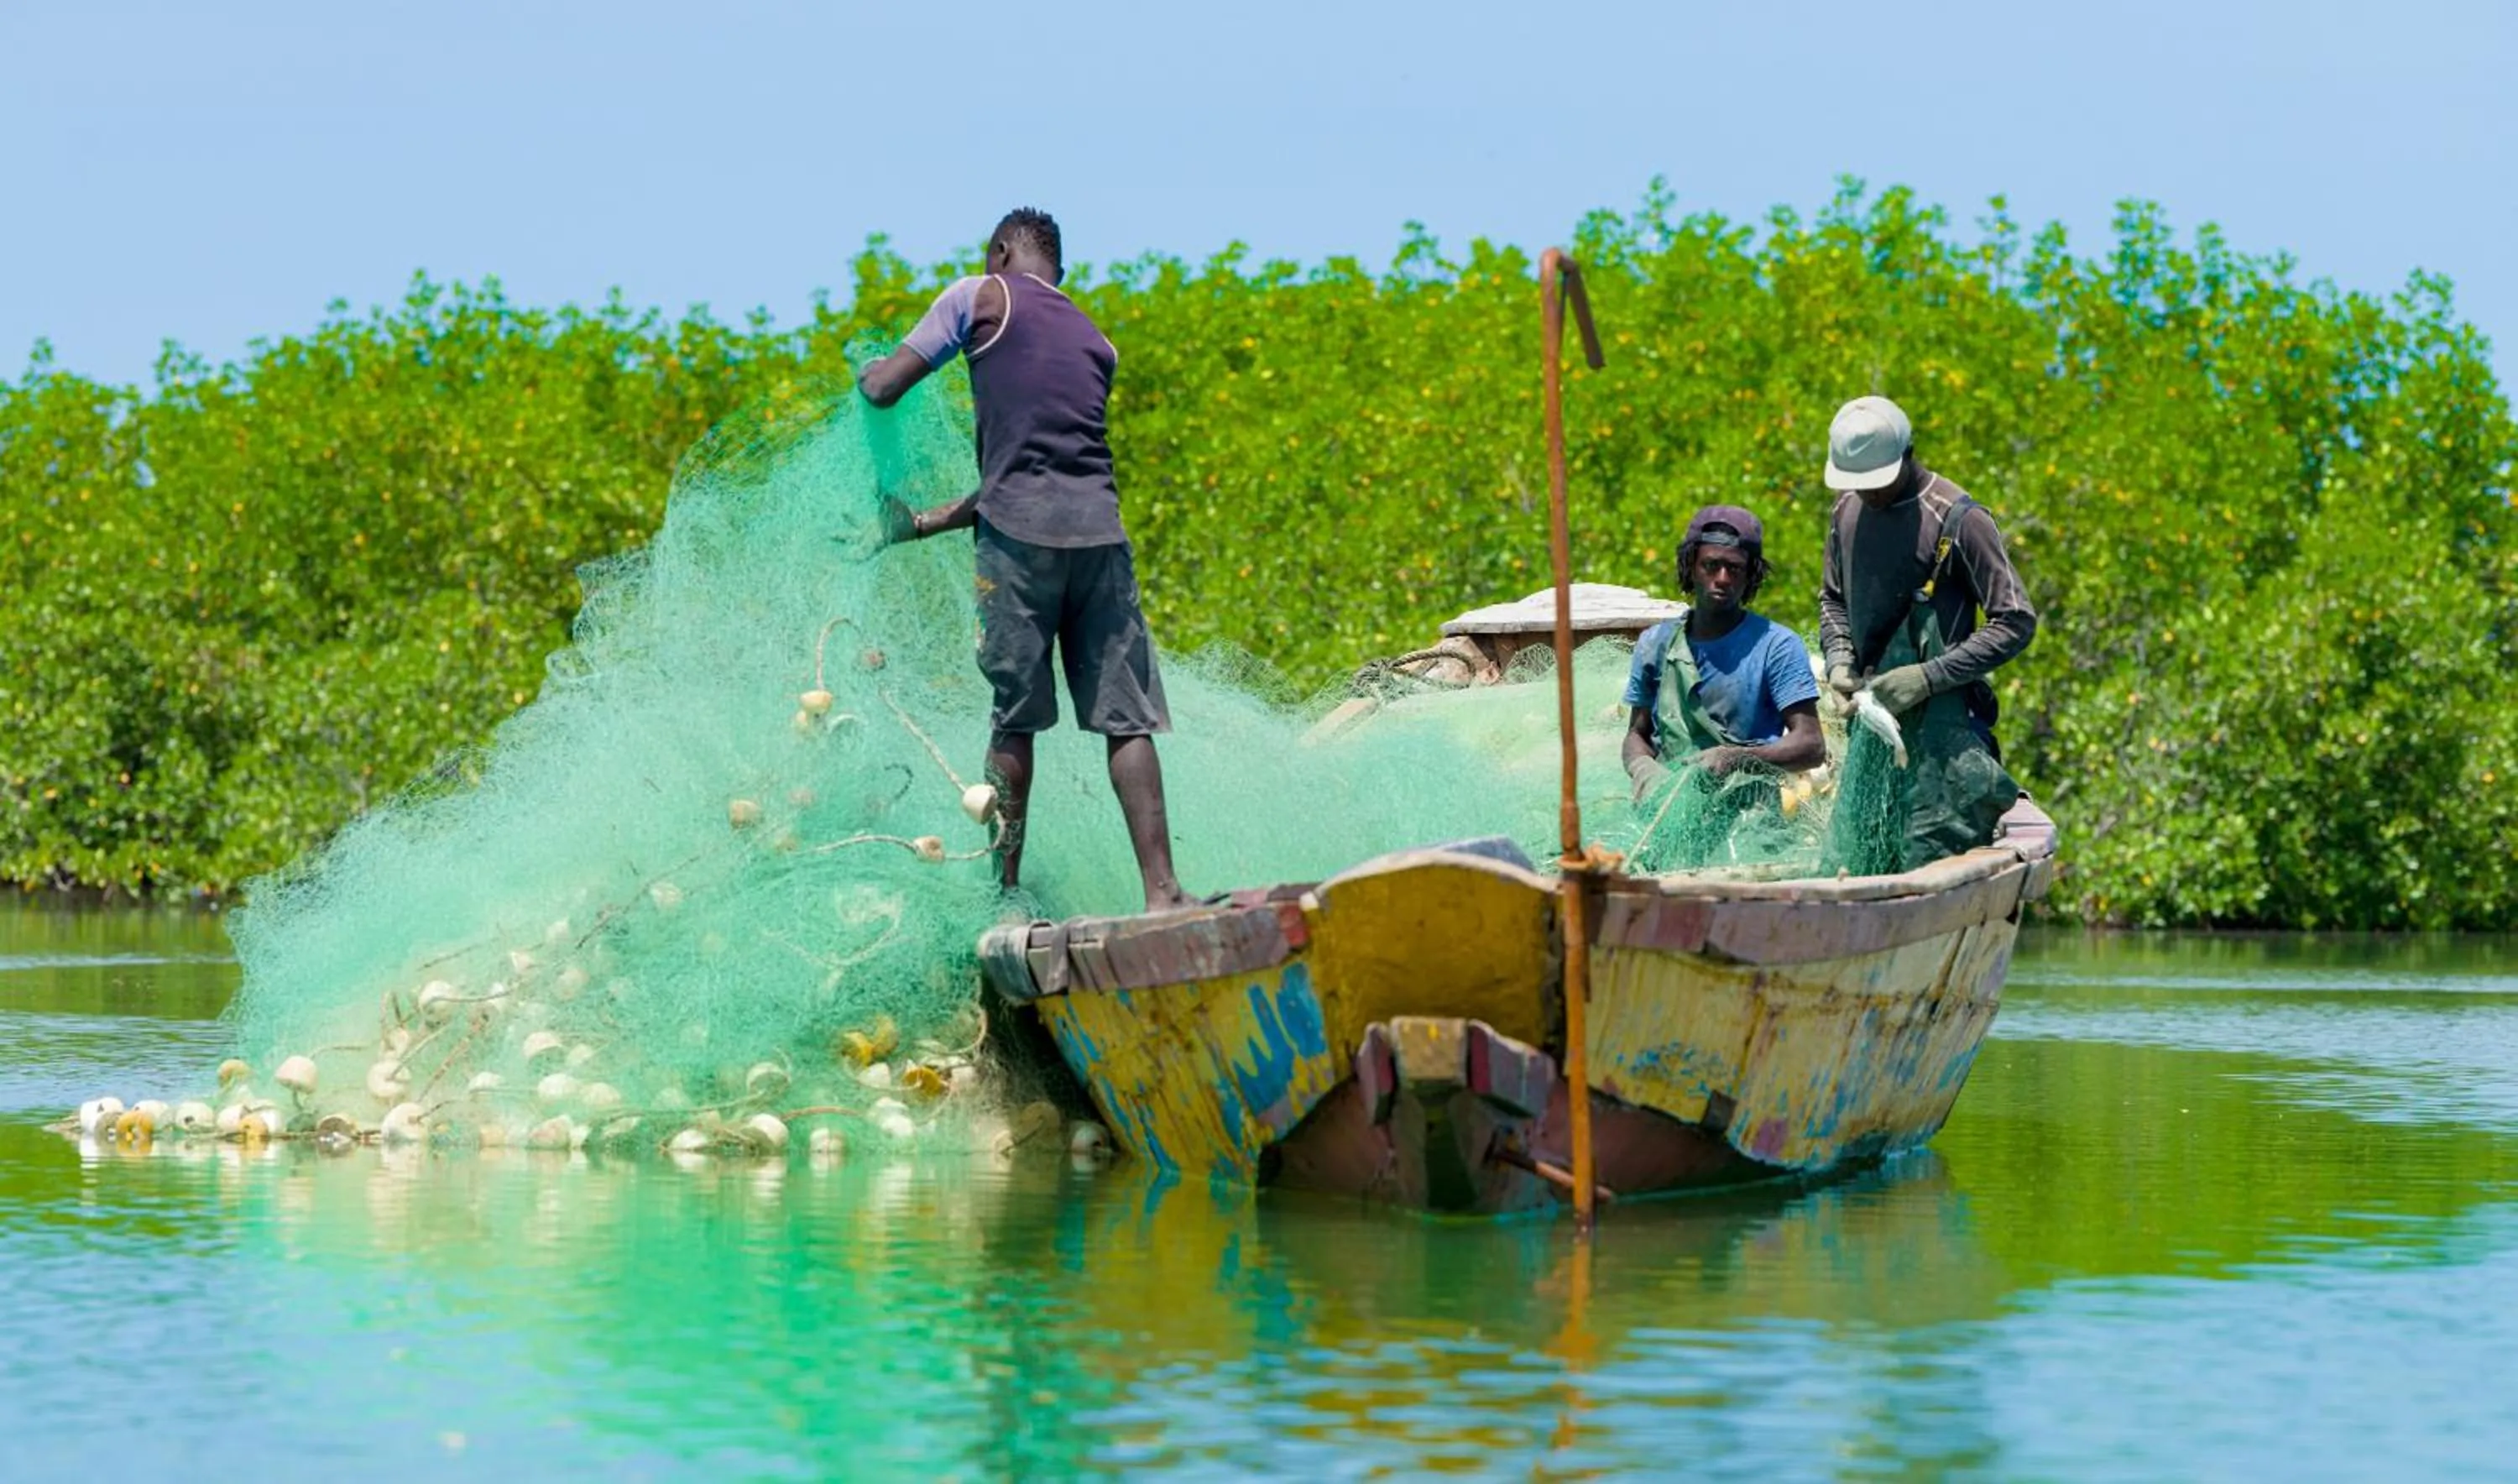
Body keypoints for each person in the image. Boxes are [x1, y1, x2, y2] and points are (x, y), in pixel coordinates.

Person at [855, 207, 1188, 911]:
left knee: (1015, 718)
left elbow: (885, 389)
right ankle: (1163, 894)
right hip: (1102, 540)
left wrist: (868, 377)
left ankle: (1003, 891)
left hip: (1020, 549)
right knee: (1126, 722)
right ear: (1057, 270)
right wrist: (920, 524)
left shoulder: (978, 296)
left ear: (1000, 251)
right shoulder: (1097, 342)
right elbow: (1033, 467)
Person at [1815, 395, 2037, 863]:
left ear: (1908, 454)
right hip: (1872, 734)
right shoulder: (1846, 513)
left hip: (1943, 745)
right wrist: (1839, 660)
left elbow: (2015, 620)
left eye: (1877, 482)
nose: (1868, 494)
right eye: (1858, 484)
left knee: (1928, 859)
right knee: (1854, 860)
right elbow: (1833, 600)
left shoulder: (1959, 519)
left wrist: (1927, 677)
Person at [1622, 504, 1826, 802]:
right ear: (1691, 567)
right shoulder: (1656, 644)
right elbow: (1637, 734)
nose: (1723, 578)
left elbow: (1812, 744)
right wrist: (1642, 768)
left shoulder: (1777, 645)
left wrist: (1737, 758)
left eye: (1735, 568)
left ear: (1750, 576)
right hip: (1669, 804)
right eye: (1711, 565)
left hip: (1750, 818)